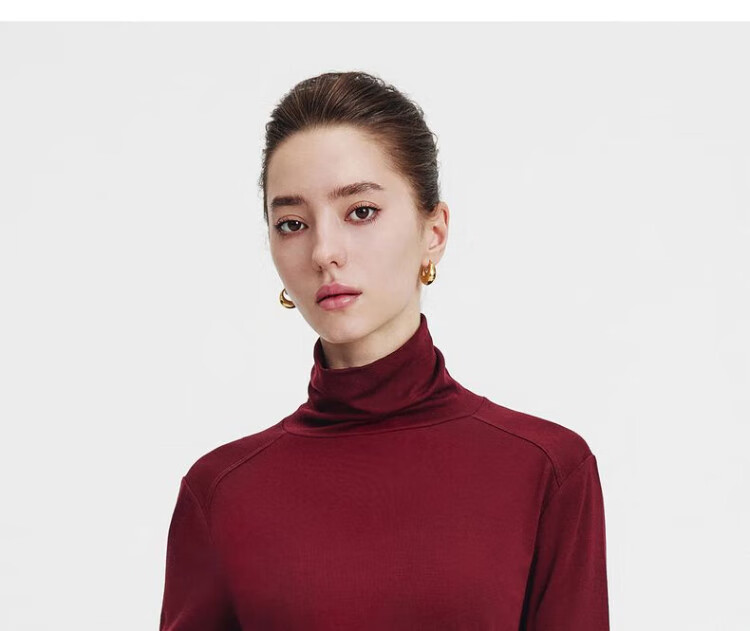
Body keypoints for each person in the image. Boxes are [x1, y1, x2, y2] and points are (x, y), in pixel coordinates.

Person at [159, 71, 610, 630]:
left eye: (361, 211)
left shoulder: (545, 468)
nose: (324, 252)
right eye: (293, 223)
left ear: (433, 232)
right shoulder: (222, 492)